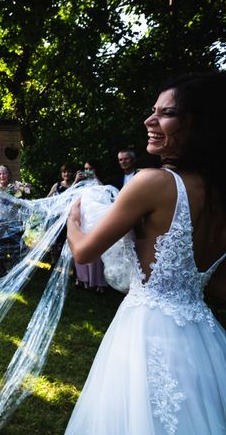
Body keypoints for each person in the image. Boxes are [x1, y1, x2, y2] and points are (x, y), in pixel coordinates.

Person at [66, 73, 226, 434]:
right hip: (203, 340)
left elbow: (85, 253)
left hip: (147, 333)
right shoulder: (219, 195)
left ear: (196, 124)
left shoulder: (153, 183)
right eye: (152, 111)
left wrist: (73, 220)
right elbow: (218, 284)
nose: (149, 121)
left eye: (165, 114)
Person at [72, 161, 106, 292]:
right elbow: (69, 195)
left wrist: (95, 177)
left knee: (96, 251)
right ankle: (83, 279)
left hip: (95, 220)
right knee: (82, 248)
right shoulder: (81, 184)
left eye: (90, 168)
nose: (88, 171)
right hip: (83, 219)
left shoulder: (99, 182)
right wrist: (76, 180)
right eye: (86, 168)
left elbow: (105, 193)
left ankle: (98, 282)